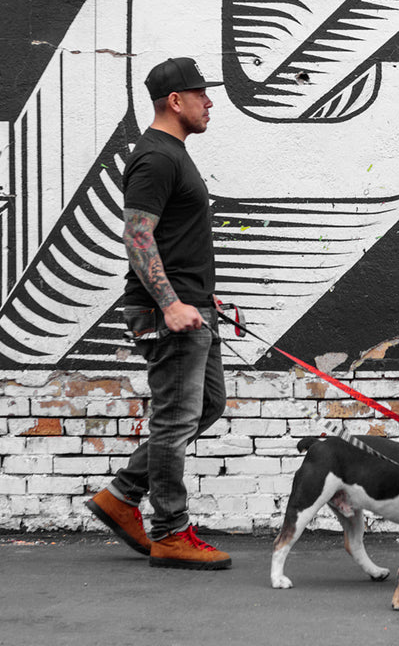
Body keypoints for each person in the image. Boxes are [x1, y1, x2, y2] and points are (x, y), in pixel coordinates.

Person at [85, 57, 231, 570]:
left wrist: (203, 300)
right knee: (174, 422)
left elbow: (170, 235)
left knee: (208, 405)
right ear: (175, 100)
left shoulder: (173, 153)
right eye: (201, 94)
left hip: (193, 307)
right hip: (165, 311)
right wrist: (169, 304)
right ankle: (170, 531)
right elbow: (137, 234)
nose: (210, 102)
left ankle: (122, 495)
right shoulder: (156, 158)